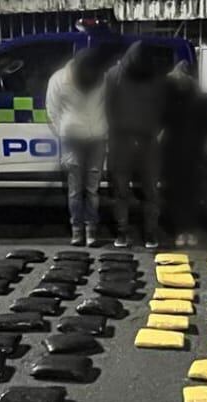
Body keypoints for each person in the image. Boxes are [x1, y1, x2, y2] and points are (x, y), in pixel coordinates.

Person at [106, 41, 165, 249]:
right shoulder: (156, 77)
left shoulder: (114, 75)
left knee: (121, 192)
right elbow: (162, 110)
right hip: (148, 142)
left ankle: (122, 234)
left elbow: (108, 108)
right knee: (150, 192)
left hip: (121, 142)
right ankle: (150, 235)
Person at [45, 47, 107, 246]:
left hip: (97, 138)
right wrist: (63, 132)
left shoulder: (102, 78)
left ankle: (90, 232)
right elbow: (52, 111)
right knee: (75, 190)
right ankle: (77, 231)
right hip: (72, 140)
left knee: (91, 189)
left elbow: (108, 106)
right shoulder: (58, 80)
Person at [162, 60, 207, 247]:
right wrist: (203, 145)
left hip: (174, 153)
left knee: (176, 195)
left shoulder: (170, 97)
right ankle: (190, 232)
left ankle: (179, 232)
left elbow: (163, 123)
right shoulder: (202, 99)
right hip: (195, 154)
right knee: (192, 195)